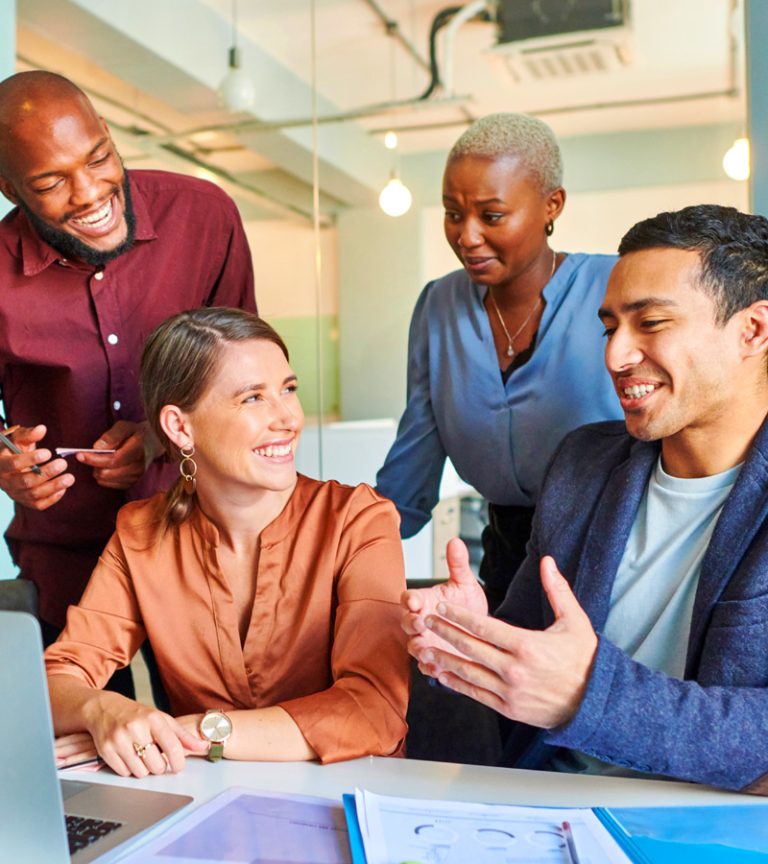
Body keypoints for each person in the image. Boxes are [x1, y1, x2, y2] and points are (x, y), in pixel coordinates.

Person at [403, 204, 768, 792]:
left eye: (650, 323)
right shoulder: (583, 465)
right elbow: (525, 659)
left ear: (752, 330)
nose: (615, 356)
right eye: (610, 327)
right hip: (545, 806)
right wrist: (474, 640)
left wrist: (587, 694)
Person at [45, 308, 409, 774]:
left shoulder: (359, 520)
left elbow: (373, 709)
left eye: (289, 390)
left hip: (353, 802)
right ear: (180, 427)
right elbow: (60, 675)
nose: (288, 419)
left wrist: (192, 732)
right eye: (253, 398)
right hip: (207, 804)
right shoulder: (141, 532)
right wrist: (104, 713)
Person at [0, 71, 255, 695]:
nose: (89, 193)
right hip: (66, 559)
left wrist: (163, 439)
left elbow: (250, 384)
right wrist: (5, 462)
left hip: (200, 542)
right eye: (51, 182)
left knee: (217, 744)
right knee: (82, 760)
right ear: (8, 188)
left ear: (110, 134)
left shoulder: (205, 216)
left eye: (97, 158)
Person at [375, 112, 622, 610]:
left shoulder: (613, 288)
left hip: (610, 550)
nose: (466, 236)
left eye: (491, 216)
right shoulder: (438, 307)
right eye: (452, 213)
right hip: (506, 553)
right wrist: (340, 540)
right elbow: (416, 454)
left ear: (552, 204)